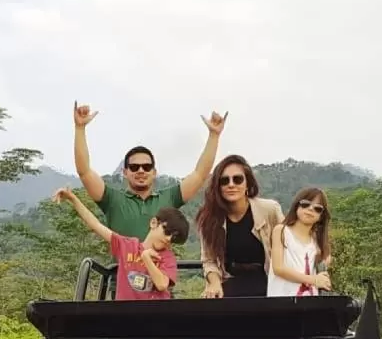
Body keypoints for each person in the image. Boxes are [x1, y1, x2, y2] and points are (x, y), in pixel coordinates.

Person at [71, 101, 227, 242]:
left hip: (159, 273)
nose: (141, 171)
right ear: (125, 172)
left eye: (146, 167)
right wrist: (80, 128)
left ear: (154, 172)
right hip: (123, 273)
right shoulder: (112, 200)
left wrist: (214, 136)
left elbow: (200, 175)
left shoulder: (169, 198)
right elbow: (84, 172)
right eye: (134, 167)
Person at [51, 186, 189, 300]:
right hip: (124, 316)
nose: (168, 239)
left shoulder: (167, 257)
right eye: (167, 231)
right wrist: (73, 199)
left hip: (155, 318)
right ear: (154, 223)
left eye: (174, 238)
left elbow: (162, 285)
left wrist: (146, 258)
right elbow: (96, 225)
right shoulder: (127, 246)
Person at [196, 155, 284, 298]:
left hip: (269, 283)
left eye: (238, 179)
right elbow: (209, 261)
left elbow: (289, 246)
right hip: (230, 284)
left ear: (247, 183)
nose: (231, 185)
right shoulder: (209, 220)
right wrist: (214, 283)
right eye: (224, 181)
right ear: (218, 186)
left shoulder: (270, 210)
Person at [267, 187, 333, 297]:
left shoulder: (317, 241)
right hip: (282, 300)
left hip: (310, 302)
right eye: (305, 204)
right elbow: (278, 268)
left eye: (318, 208)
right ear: (296, 206)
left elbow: (324, 265)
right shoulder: (281, 231)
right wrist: (313, 280)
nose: (311, 209)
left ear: (321, 216)